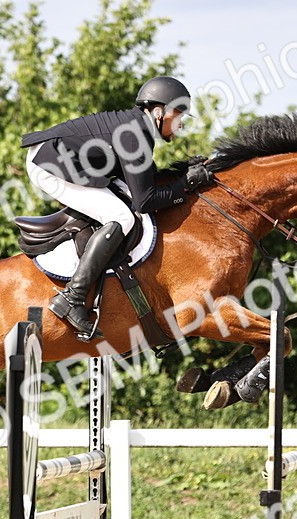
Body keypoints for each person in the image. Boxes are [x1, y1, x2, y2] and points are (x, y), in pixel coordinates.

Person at [21, 76, 215, 340]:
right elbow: (144, 201)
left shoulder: (137, 129)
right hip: (49, 165)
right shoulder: (136, 134)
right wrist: (186, 184)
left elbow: (142, 182)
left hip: (61, 159)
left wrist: (183, 178)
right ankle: (72, 298)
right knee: (121, 216)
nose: (180, 124)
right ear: (158, 112)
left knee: (119, 204)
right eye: (178, 114)